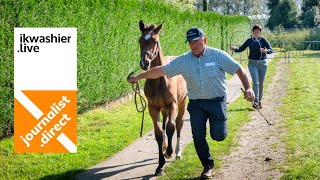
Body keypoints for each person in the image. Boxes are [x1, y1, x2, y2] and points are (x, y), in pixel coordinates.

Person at [128, 27, 254, 179]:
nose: (193, 45)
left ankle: (218, 131)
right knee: (198, 136)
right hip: (196, 104)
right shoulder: (183, 60)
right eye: (190, 42)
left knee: (218, 135)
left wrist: (248, 88)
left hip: (216, 101)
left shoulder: (218, 55)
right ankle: (207, 166)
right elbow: (160, 70)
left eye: (196, 41)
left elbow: (238, 69)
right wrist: (138, 77)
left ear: (204, 40)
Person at [230, 25, 273, 109]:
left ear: (260, 32)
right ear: (252, 32)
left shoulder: (263, 40)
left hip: (262, 64)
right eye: (255, 30)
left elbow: (271, 50)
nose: (256, 32)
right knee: (255, 82)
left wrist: (265, 51)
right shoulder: (249, 41)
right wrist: (234, 49)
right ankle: (255, 102)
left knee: (261, 83)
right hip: (252, 64)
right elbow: (241, 48)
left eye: (258, 30)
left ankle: (259, 101)